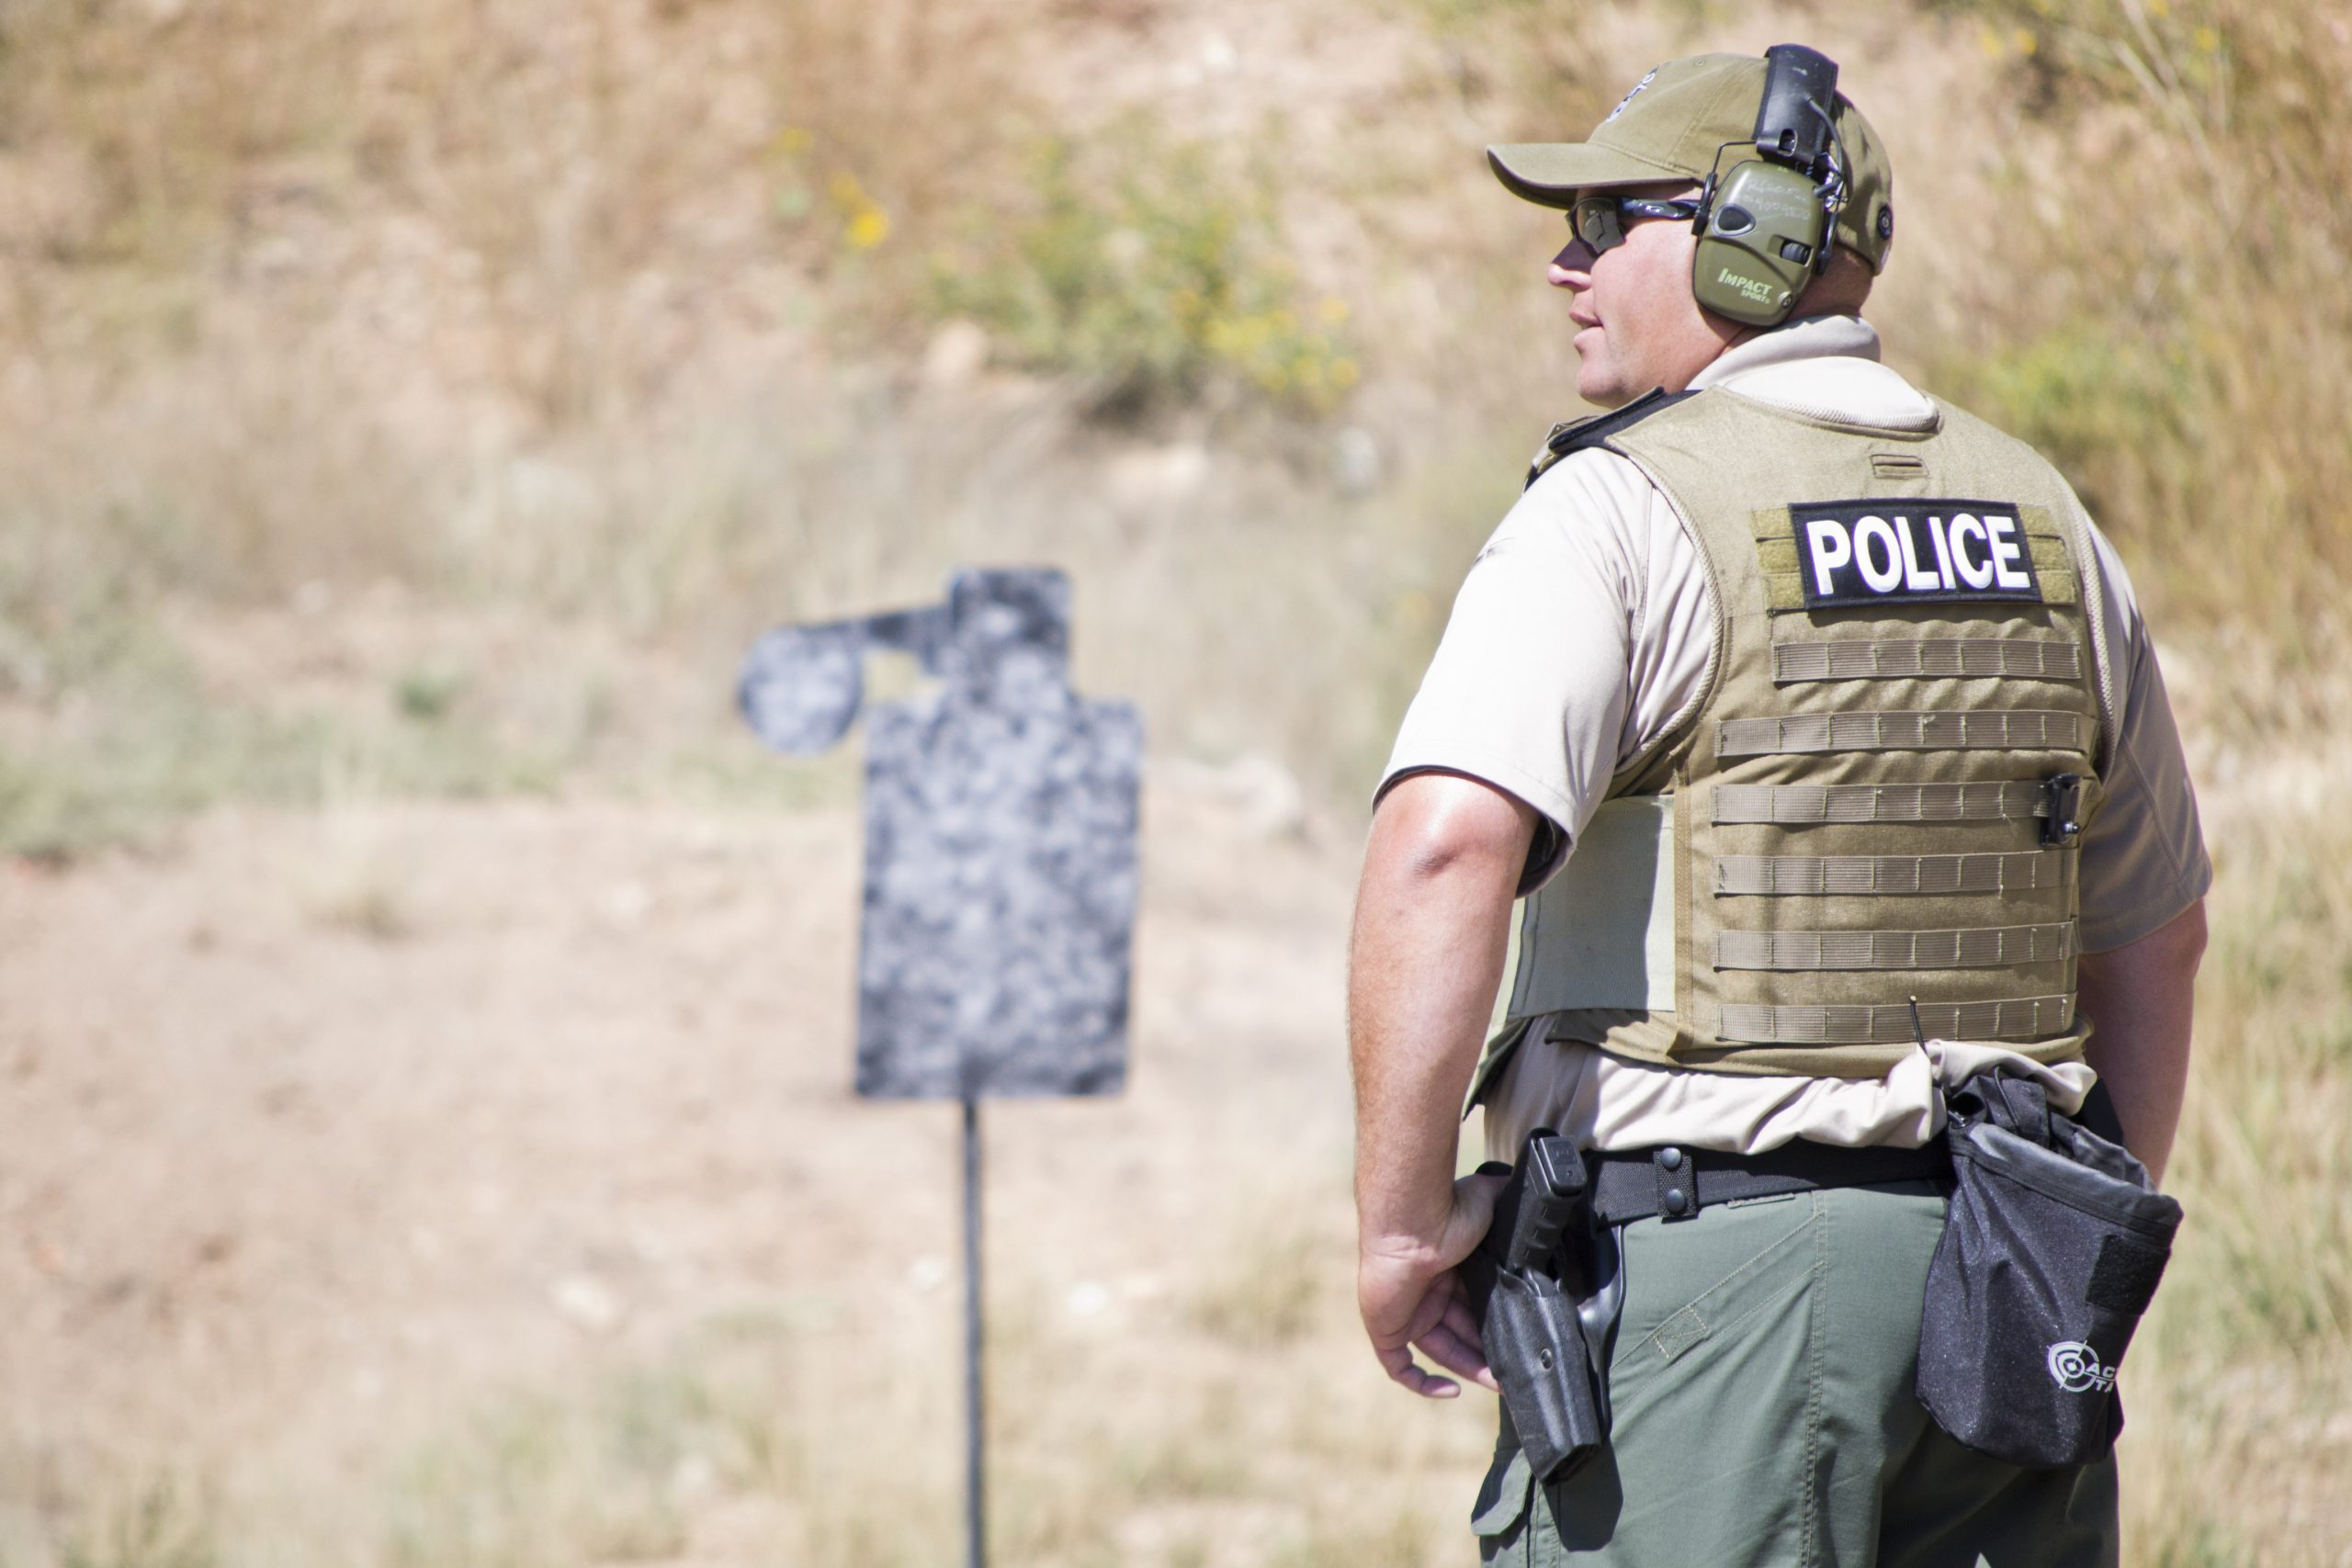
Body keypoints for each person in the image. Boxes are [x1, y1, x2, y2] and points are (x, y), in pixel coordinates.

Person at [1347, 48, 2211, 1567]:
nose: (1569, 259)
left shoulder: (1619, 508)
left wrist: (1404, 1232)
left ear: (1751, 229)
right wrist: (2076, 1242)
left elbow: (1441, 850)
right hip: (2010, 1284)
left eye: (1614, 217)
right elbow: (2157, 932)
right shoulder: (2047, 516)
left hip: (1723, 1290)